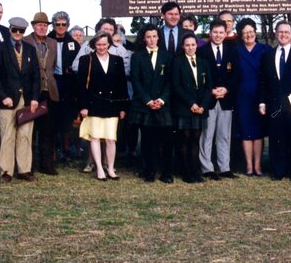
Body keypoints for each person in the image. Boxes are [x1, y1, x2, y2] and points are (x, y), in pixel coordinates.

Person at [0, 16, 41, 183]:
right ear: (10, 30)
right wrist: (3, 97)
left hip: (26, 100)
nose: (18, 33)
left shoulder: (30, 49)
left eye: (21, 31)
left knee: (25, 135)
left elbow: (36, 76)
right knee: (7, 135)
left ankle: (24, 169)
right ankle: (6, 171)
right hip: (8, 100)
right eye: (15, 30)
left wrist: (34, 98)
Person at [259, 20, 291, 180]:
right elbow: (263, 81)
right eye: (280, 31)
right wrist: (262, 102)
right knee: (276, 136)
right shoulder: (268, 55)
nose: (283, 35)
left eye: (286, 32)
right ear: (276, 33)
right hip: (274, 102)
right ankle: (278, 170)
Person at [77, 31, 129, 181]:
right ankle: (99, 168)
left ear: (109, 44)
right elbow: (81, 86)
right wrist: (83, 106)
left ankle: (111, 168)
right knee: (95, 137)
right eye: (98, 44)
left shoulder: (117, 60)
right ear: (94, 44)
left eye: (104, 44)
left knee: (111, 139)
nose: (101, 47)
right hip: (93, 104)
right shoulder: (86, 60)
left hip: (112, 105)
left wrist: (123, 107)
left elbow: (122, 85)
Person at [129, 24, 174, 183]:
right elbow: (136, 80)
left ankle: (167, 173)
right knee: (147, 140)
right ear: (144, 39)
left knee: (167, 140)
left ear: (158, 38)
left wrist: (161, 100)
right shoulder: (137, 57)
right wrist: (148, 100)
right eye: (148, 37)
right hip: (144, 105)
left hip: (164, 104)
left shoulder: (167, 56)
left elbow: (170, 81)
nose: (152, 39)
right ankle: (149, 171)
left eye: (154, 36)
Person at [197, 22, 238, 180]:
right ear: (210, 32)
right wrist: (211, 91)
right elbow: (199, 76)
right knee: (207, 135)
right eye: (215, 32)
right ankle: (207, 167)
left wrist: (226, 89)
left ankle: (224, 167)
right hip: (209, 99)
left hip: (226, 99)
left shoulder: (232, 51)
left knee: (224, 135)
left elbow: (236, 74)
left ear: (225, 33)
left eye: (221, 32)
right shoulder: (202, 51)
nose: (218, 35)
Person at [169, 33, 211, 183]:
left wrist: (203, 106)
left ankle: (195, 172)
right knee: (185, 140)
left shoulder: (203, 62)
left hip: (200, 109)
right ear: (183, 46)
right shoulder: (177, 62)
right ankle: (186, 172)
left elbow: (208, 87)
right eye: (187, 45)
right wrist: (191, 104)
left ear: (197, 45)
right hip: (184, 108)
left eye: (193, 45)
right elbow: (176, 86)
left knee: (195, 140)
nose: (190, 47)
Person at [23, 12, 60, 175]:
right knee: (29, 131)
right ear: (33, 26)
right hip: (31, 92)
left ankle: (47, 165)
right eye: (39, 25)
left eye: (45, 25)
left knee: (48, 131)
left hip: (49, 92)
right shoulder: (25, 41)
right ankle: (27, 166)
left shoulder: (52, 43)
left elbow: (53, 66)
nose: (42, 28)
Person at [234, 18, 269, 176]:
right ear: (241, 35)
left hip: (260, 95)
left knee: (258, 132)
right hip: (242, 96)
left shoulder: (265, 49)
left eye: (251, 32)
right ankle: (249, 166)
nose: (248, 35)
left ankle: (258, 166)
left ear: (256, 32)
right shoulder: (236, 50)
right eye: (245, 33)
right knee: (246, 131)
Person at [49, 11, 80, 163]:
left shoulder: (73, 42)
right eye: (57, 24)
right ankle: (53, 150)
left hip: (68, 84)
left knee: (67, 119)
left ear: (67, 25)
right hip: (52, 82)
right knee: (52, 118)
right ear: (53, 24)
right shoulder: (47, 40)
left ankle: (67, 150)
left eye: (64, 24)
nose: (60, 27)